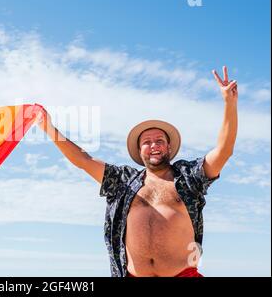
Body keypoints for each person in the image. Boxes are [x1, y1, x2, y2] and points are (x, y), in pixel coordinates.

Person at [35, 66, 238, 277]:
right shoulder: (122, 181)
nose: (153, 146)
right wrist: (49, 128)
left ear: (169, 147)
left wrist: (229, 103)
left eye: (159, 141)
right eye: (147, 142)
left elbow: (224, 151)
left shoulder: (188, 177)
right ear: (139, 150)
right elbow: (83, 160)